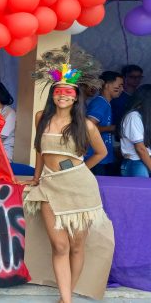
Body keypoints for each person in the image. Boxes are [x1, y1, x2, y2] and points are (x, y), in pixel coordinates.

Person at [24, 60, 109, 303]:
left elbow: (101, 153)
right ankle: (67, 298)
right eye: (58, 91)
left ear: (75, 97)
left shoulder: (86, 124)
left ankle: (65, 299)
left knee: (75, 246)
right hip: (49, 187)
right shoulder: (42, 117)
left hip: (81, 187)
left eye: (67, 92)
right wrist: (36, 177)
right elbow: (39, 149)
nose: (62, 95)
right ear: (52, 96)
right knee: (59, 245)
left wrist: (80, 170)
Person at [86, 71, 123, 175]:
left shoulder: (105, 103)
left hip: (100, 157)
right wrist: (112, 128)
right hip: (94, 156)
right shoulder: (100, 103)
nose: (122, 89)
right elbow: (88, 127)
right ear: (107, 85)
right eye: (119, 86)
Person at [119, 84, 151, 177]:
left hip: (143, 161)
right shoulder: (134, 117)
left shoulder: (143, 117)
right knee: (142, 191)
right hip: (136, 163)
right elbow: (140, 149)